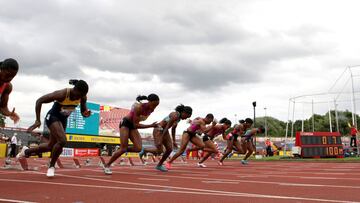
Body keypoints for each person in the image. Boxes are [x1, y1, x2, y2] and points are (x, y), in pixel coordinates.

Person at [17, 79, 91, 177]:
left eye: (82, 96)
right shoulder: (62, 94)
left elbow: (83, 110)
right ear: (75, 89)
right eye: (78, 95)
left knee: (50, 146)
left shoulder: (82, 97)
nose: (79, 97)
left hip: (63, 120)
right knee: (62, 140)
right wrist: (37, 120)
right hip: (52, 117)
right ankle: (51, 166)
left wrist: (85, 114)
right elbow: (39, 101)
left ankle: (26, 151)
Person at [103, 94, 159, 175]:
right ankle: (107, 165)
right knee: (123, 149)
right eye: (154, 105)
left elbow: (136, 124)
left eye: (156, 106)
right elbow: (136, 125)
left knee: (138, 148)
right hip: (126, 123)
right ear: (149, 102)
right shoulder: (139, 108)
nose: (154, 108)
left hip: (133, 126)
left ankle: (122, 148)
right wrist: (151, 125)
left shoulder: (151, 109)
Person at [139, 104, 192, 172]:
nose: (186, 119)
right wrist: (161, 138)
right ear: (184, 112)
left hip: (165, 131)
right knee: (160, 151)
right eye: (187, 116)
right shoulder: (175, 115)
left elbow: (173, 129)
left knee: (169, 149)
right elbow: (167, 127)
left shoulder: (178, 118)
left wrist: (174, 141)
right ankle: (145, 150)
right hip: (159, 129)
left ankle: (159, 165)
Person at [0, 58, 20, 124]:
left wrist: (9, 113)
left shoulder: (7, 86)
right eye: (8, 75)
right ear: (1, 69)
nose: (9, 79)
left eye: (12, 76)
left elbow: (3, 107)